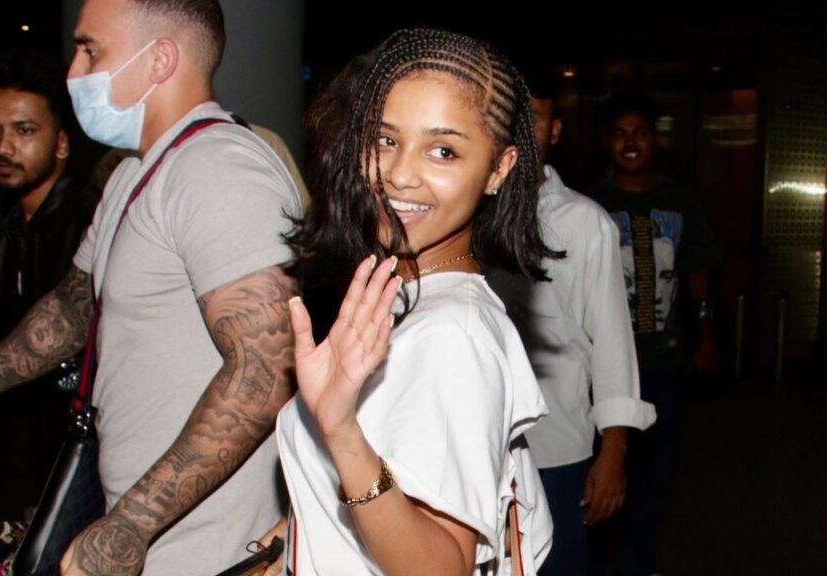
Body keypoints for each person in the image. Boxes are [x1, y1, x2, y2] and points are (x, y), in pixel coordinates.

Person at [0, 0, 301, 574]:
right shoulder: (137, 171)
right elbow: (71, 309)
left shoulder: (219, 170)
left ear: (159, 59)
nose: (74, 72)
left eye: (90, 51)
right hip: (149, 535)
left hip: (207, 552)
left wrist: (131, 525)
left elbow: (265, 371)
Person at [270, 28, 557, 575]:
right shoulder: (408, 298)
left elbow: (442, 567)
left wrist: (341, 432)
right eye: (384, 140)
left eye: (443, 151)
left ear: (498, 169)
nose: (399, 174)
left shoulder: (451, 334)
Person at [486, 77, 657, 576]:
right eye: (510, 115)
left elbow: (613, 344)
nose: (522, 129)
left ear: (555, 130)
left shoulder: (585, 221)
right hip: (476, 445)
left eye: (535, 118)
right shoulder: (464, 213)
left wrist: (614, 452)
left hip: (557, 448)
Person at [586, 90, 720, 576]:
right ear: (607, 142)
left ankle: (638, 565)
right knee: (599, 474)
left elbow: (697, 270)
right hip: (599, 374)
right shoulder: (589, 205)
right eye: (620, 134)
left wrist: (706, 336)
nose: (630, 143)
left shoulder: (678, 202)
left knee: (654, 476)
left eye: (640, 133)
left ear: (654, 140)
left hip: (662, 365)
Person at [0, 50, 102, 522]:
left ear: (61, 143)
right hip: (15, 456)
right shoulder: (7, 227)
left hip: (73, 458)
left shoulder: (91, 221)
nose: (3, 147)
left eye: (24, 131)